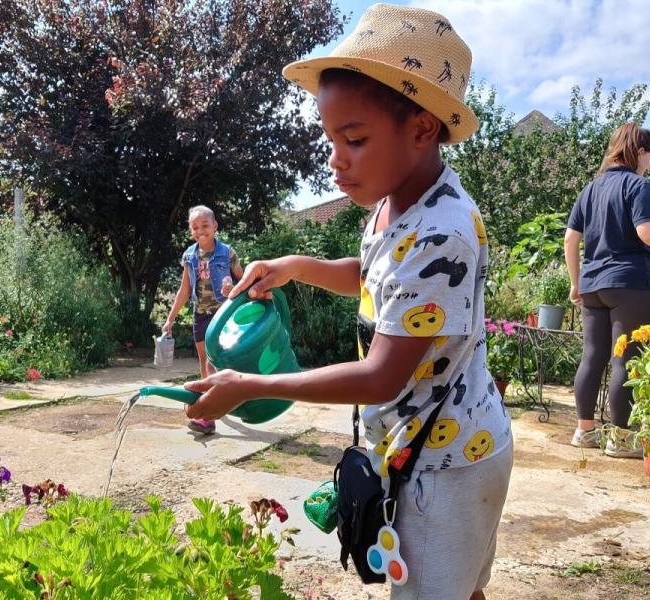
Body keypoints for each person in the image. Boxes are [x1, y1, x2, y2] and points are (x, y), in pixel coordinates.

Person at [183, 5, 512, 599]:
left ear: (422, 127)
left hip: (448, 464)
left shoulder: (443, 230)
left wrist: (255, 386)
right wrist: (293, 268)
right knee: (458, 588)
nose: (335, 159)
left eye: (354, 139)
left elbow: (382, 375)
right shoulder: (394, 206)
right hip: (423, 449)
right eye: (331, 137)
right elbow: (373, 276)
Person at [565, 123, 650, 458]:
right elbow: (647, 232)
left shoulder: (591, 188)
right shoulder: (637, 185)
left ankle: (584, 431)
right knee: (625, 359)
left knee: (592, 356)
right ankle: (620, 438)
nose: (649, 166)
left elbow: (571, 239)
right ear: (640, 152)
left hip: (593, 285)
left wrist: (576, 282)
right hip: (628, 283)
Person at [163, 205, 243, 435]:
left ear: (215, 226)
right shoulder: (189, 256)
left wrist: (233, 289)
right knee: (204, 365)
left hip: (224, 314)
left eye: (205, 225)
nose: (200, 231)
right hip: (201, 315)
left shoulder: (227, 253)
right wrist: (170, 319)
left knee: (214, 363)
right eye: (195, 227)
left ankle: (209, 415)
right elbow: (184, 290)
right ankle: (214, 406)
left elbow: (244, 280)